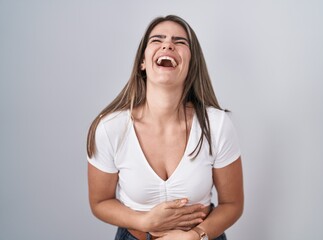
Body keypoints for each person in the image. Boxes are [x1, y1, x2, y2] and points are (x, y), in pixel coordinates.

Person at [87, 15, 244, 240]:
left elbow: (233, 204)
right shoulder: (110, 128)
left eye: (180, 42)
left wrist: (197, 236)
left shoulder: (217, 125)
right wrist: (143, 221)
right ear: (142, 62)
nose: (168, 44)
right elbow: (99, 202)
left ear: (191, 65)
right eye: (157, 39)